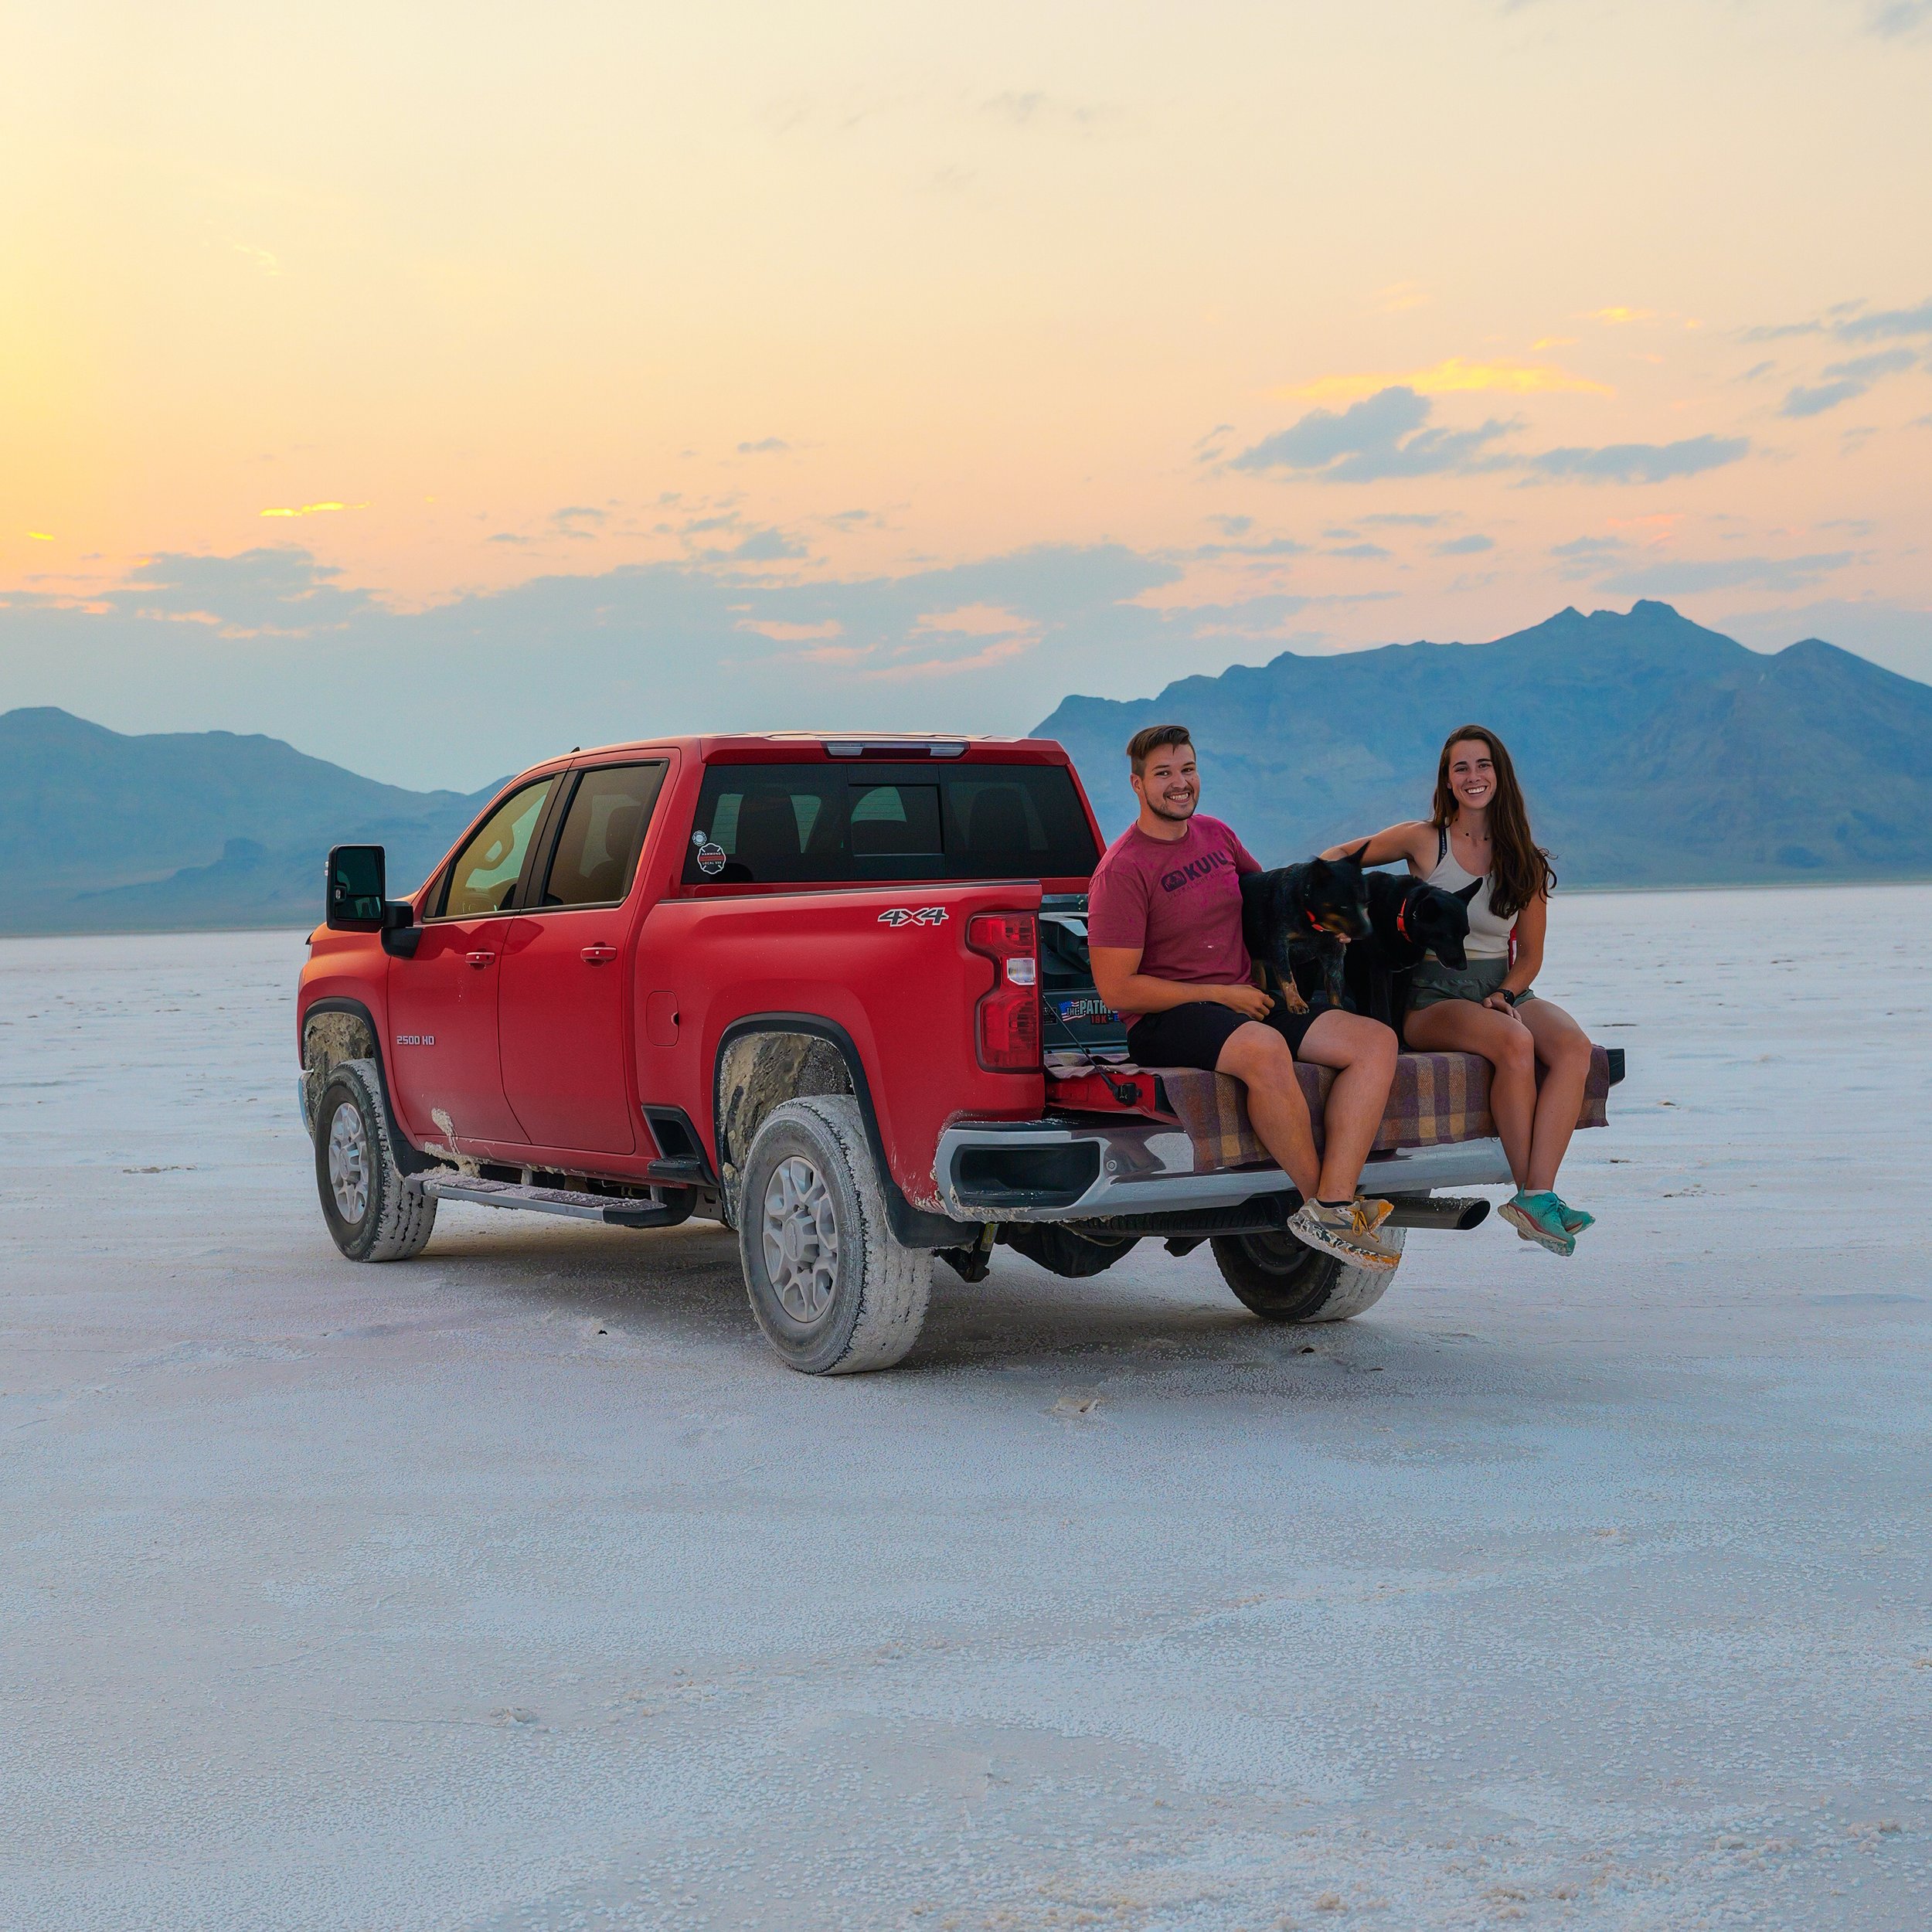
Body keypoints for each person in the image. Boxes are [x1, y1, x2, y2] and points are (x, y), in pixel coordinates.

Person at [1087, 725, 1401, 1270]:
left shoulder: (1218, 836)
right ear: (1137, 785)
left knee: (1374, 1042)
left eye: (1187, 769)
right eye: (1164, 774)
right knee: (1262, 1049)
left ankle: (1335, 1198)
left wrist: (1328, 923)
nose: (1179, 784)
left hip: (1245, 999)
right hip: (1166, 1018)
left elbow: (1272, 904)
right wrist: (1220, 994)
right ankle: (1319, 1207)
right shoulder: (1123, 869)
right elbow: (1116, 988)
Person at [1322, 723, 1596, 1257]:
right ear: (1448, 781)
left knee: (1574, 1049)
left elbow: (1532, 956)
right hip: (1434, 995)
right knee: (1515, 1045)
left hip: (1501, 987)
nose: (1474, 777)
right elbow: (1337, 854)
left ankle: (1537, 1194)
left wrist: (1508, 995)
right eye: (1461, 768)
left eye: (1483, 765)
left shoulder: (1526, 859)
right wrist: (1337, 911)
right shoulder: (1424, 839)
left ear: (1500, 775)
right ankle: (1533, 1196)